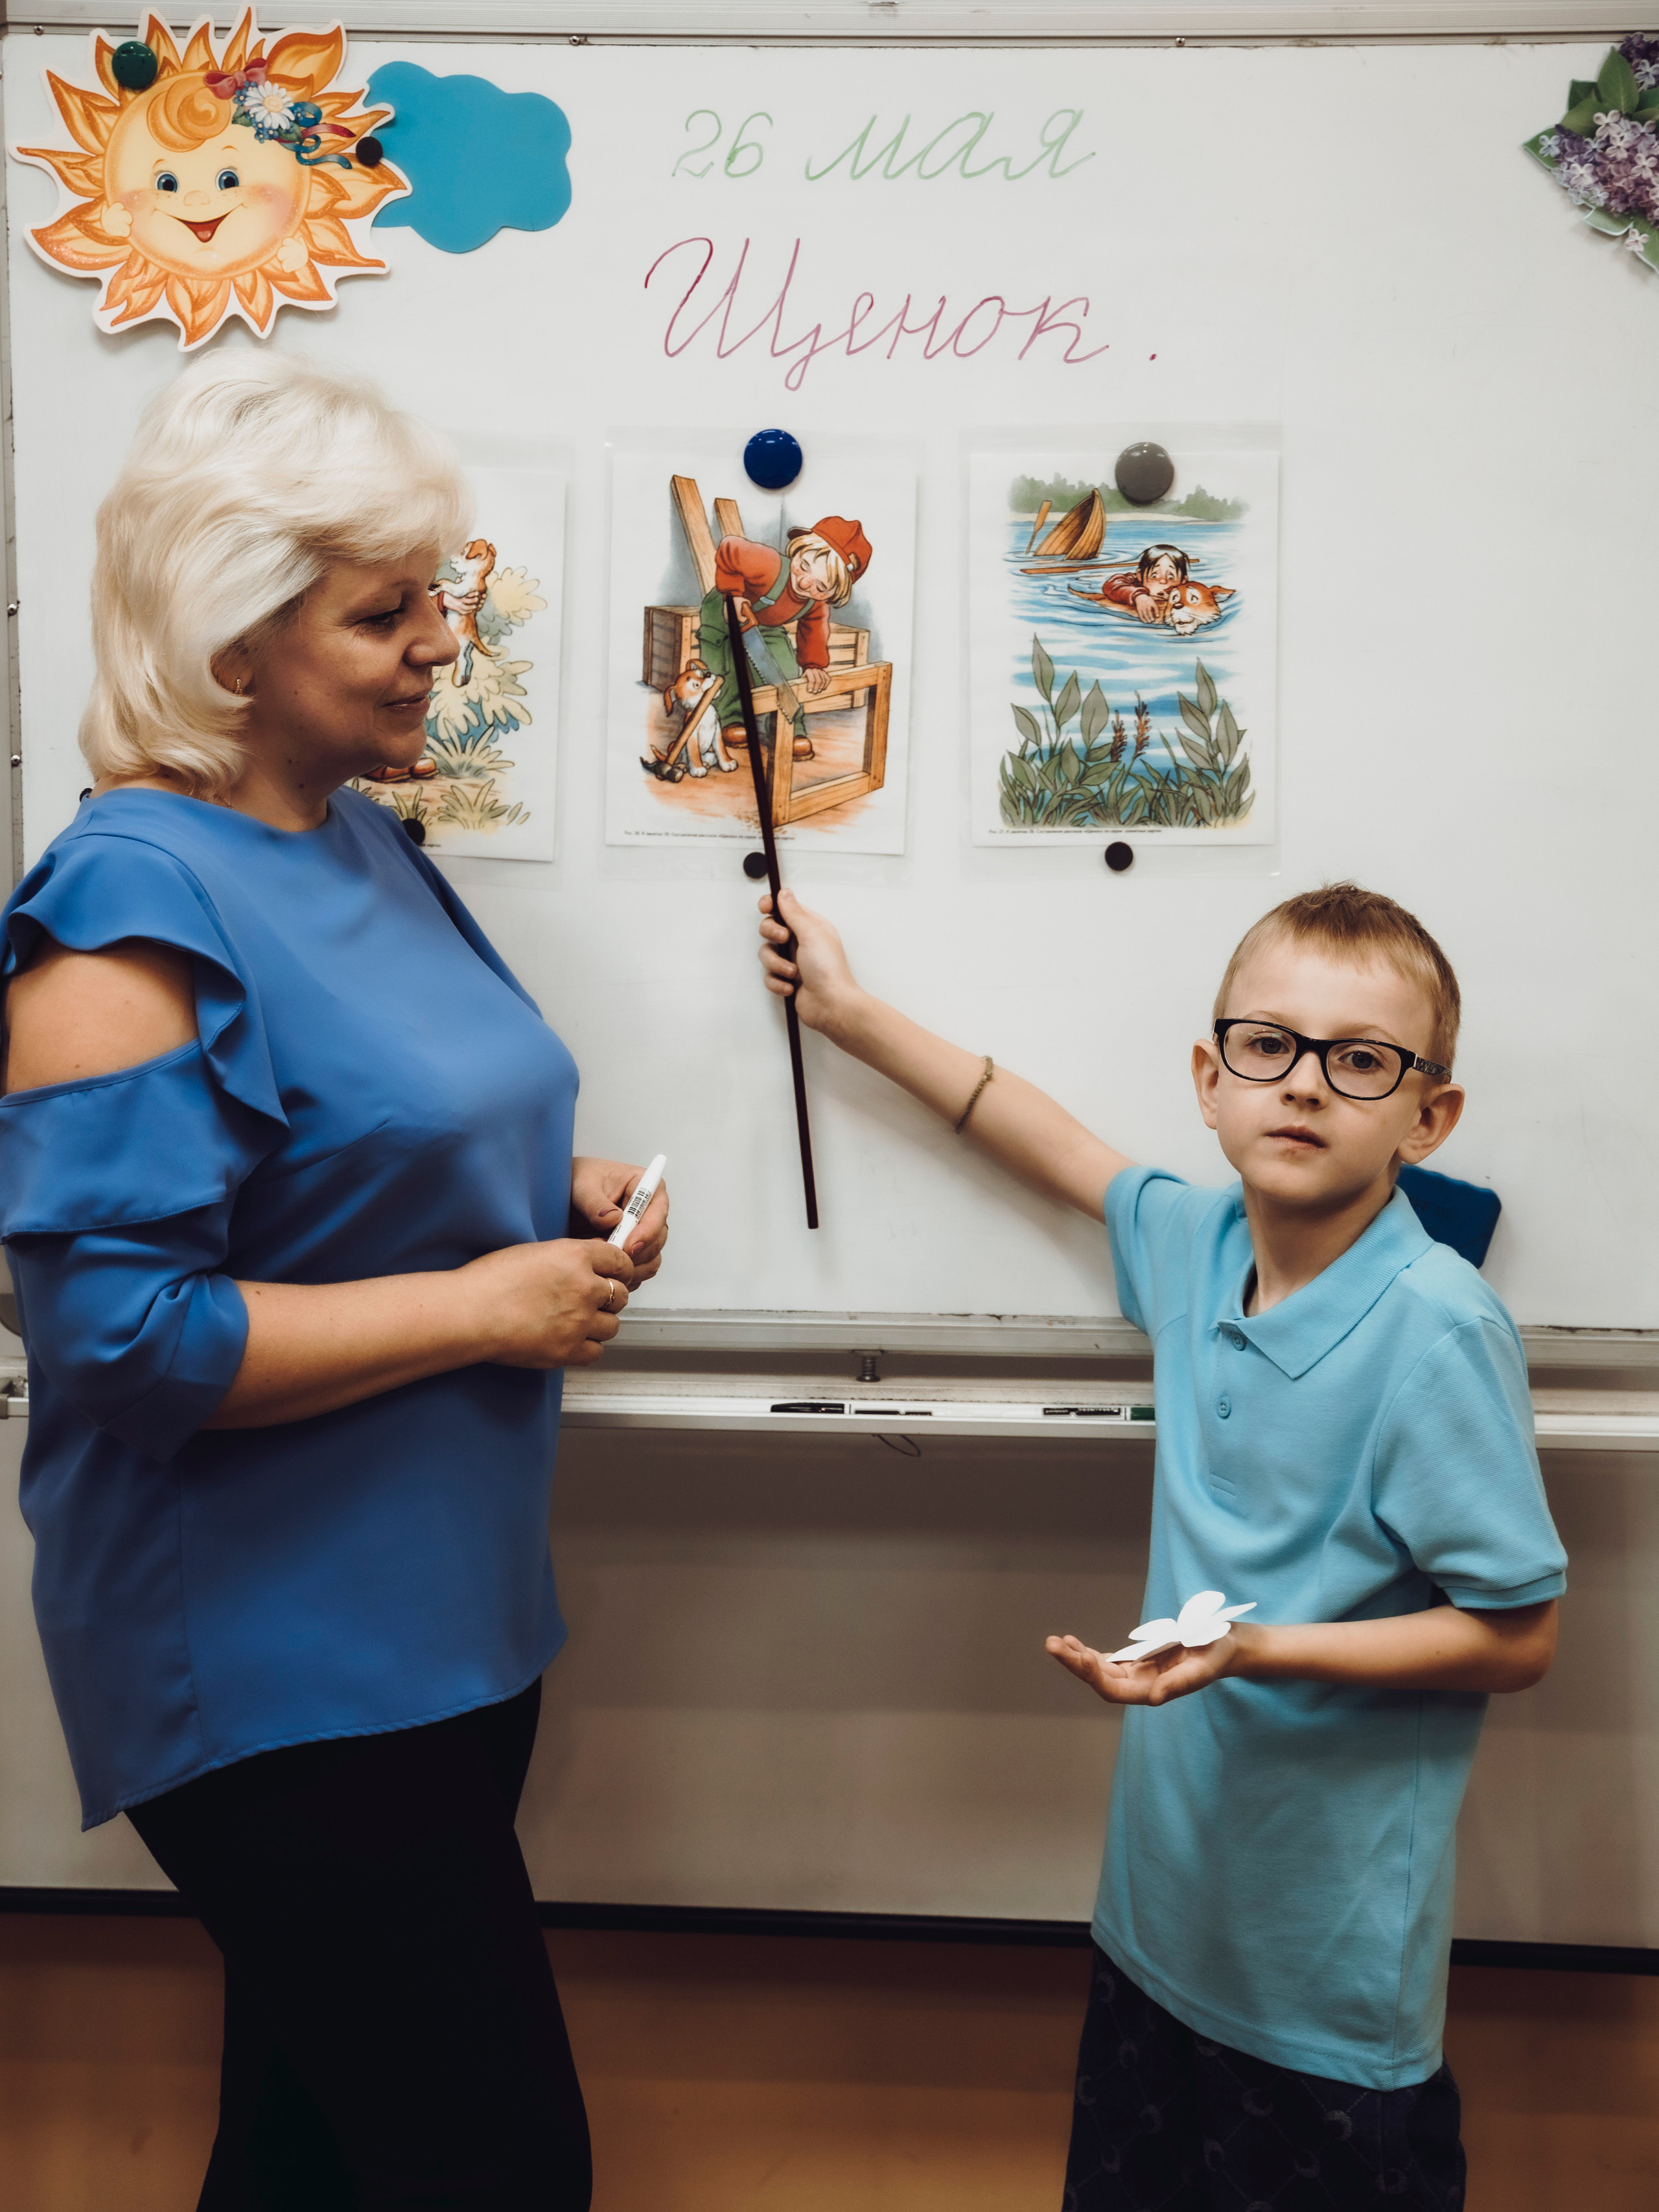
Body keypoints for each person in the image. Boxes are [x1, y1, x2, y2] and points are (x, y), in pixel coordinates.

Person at [0, 351, 667, 2211]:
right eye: (386, 612)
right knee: (497, 2164)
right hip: (275, 1668)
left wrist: (547, 1189)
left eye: (432, 595)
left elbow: (352, 1145)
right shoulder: (123, 912)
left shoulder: (355, 836)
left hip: (448, 1626)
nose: (441, 640)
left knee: (312, 2152)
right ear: (232, 644)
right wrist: (482, 1304)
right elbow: (120, 1337)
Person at [757, 880, 1565, 2209]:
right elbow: (1044, 1135)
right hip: (1157, 1922)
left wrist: (1254, 1648)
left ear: (1429, 1115)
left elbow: (1517, 1633)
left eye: (1360, 1060)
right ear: (1209, 1077)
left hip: (1323, 1987)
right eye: (1268, 1043)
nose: (1301, 1083)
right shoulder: (1198, 1242)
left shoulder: (1440, 1328)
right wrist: (845, 1014)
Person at [691, 516, 872, 771]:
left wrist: (813, 664)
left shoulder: (816, 605)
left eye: (821, 586)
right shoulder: (769, 564)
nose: (805, 583)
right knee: (723, 666)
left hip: (765, 626)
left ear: (835, 594)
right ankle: (731, 719)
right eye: (804, 566)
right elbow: (730, 547)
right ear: (798, 549)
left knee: (785, 671)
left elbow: (814, 630)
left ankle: (789, 729)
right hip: (722, 616)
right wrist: (733, 594)